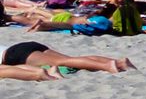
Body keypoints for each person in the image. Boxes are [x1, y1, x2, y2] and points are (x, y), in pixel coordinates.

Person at [0, 41, 134, 73]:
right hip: (23, 46)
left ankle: (107, 66)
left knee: (63, 62)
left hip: (14, 55)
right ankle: (118, 62)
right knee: (71, 59)